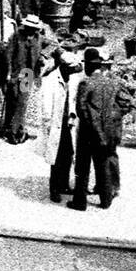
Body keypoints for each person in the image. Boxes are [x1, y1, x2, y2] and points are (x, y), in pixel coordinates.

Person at [69, 47, 133, 211]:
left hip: (87, 131)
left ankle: (80, 202)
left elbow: (81, 109)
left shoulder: (86, 83)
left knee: (82, 167)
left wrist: (89, 124)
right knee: (103, 164)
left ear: (88, 65)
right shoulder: (111, 82)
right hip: (106, 130)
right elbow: (124, 103)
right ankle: (106, 200)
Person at [39, 47, 83, 203]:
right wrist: (48, 126)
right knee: (56, 157)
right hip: (55, 124)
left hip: (68, 123)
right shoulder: (50, 80)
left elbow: (74, 99)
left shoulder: (72, 79)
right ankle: (54, 189)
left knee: (68, 154)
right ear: (62, 67)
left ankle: (64, 184)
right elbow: (46, 107)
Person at [0, 15, 43, 143]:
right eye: (30, 27)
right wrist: (8, 73)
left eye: (34, 28)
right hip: (15, 73)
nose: (31, 30)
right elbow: (8, 54)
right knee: (12, 100)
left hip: (28, 74)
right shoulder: (17, 36)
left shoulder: (38, 38)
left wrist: (42, 57)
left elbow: (53, 45)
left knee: (22, 103)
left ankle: (15, 132)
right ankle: (10, 128)